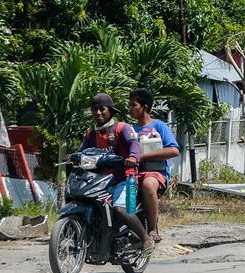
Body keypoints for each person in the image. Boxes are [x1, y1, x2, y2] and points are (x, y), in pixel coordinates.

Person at [77, 93, 153, 253]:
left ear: (110, 111)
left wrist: (133, 156)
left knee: (120, 209)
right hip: (100, 180)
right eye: (94, 109)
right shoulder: (91, 134)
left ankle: (146, 239)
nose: (98, 113)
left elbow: (134, 144)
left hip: (126, 178)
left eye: (102, 109)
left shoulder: (122, 128)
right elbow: (82, 151)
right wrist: (72, 156)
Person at [128, 88, 180, 243]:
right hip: (133, 172)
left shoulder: (159, 126)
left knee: (148, 184)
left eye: (133, 105)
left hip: (155, 173)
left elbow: (174, 150)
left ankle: (152, 228)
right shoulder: (129, 129)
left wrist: (142, 157)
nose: (130, 109)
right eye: (129, 105)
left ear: (144, 107)